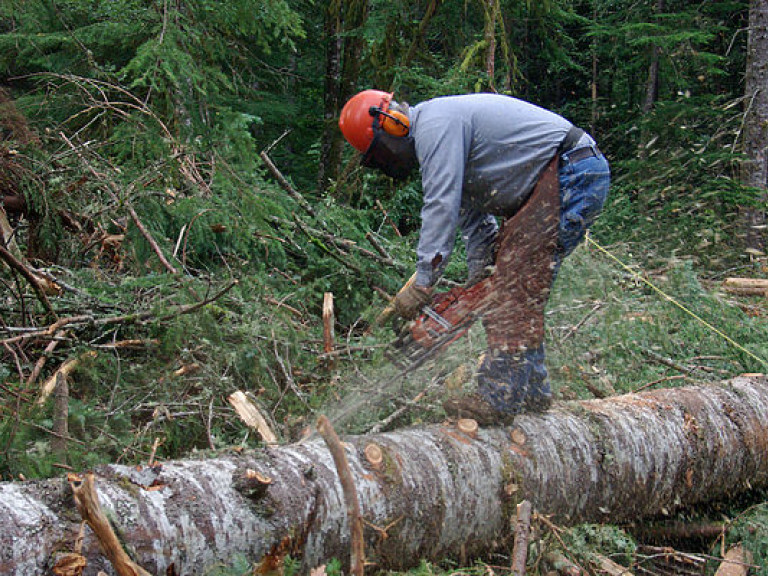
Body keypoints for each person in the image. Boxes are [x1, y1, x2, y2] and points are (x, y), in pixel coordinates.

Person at [338, 90, 610, 424]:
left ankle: (499, 397)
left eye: (380, 153)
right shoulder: (444, 139)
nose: (387, 162)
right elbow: (475, 222)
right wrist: (481, 276)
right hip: (555, 180)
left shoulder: (435, 126)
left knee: (514, 288)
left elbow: (441, 205)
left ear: (393, 124)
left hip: (571, 171)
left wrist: (424, 282)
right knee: (510, 285)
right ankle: (533, 392)